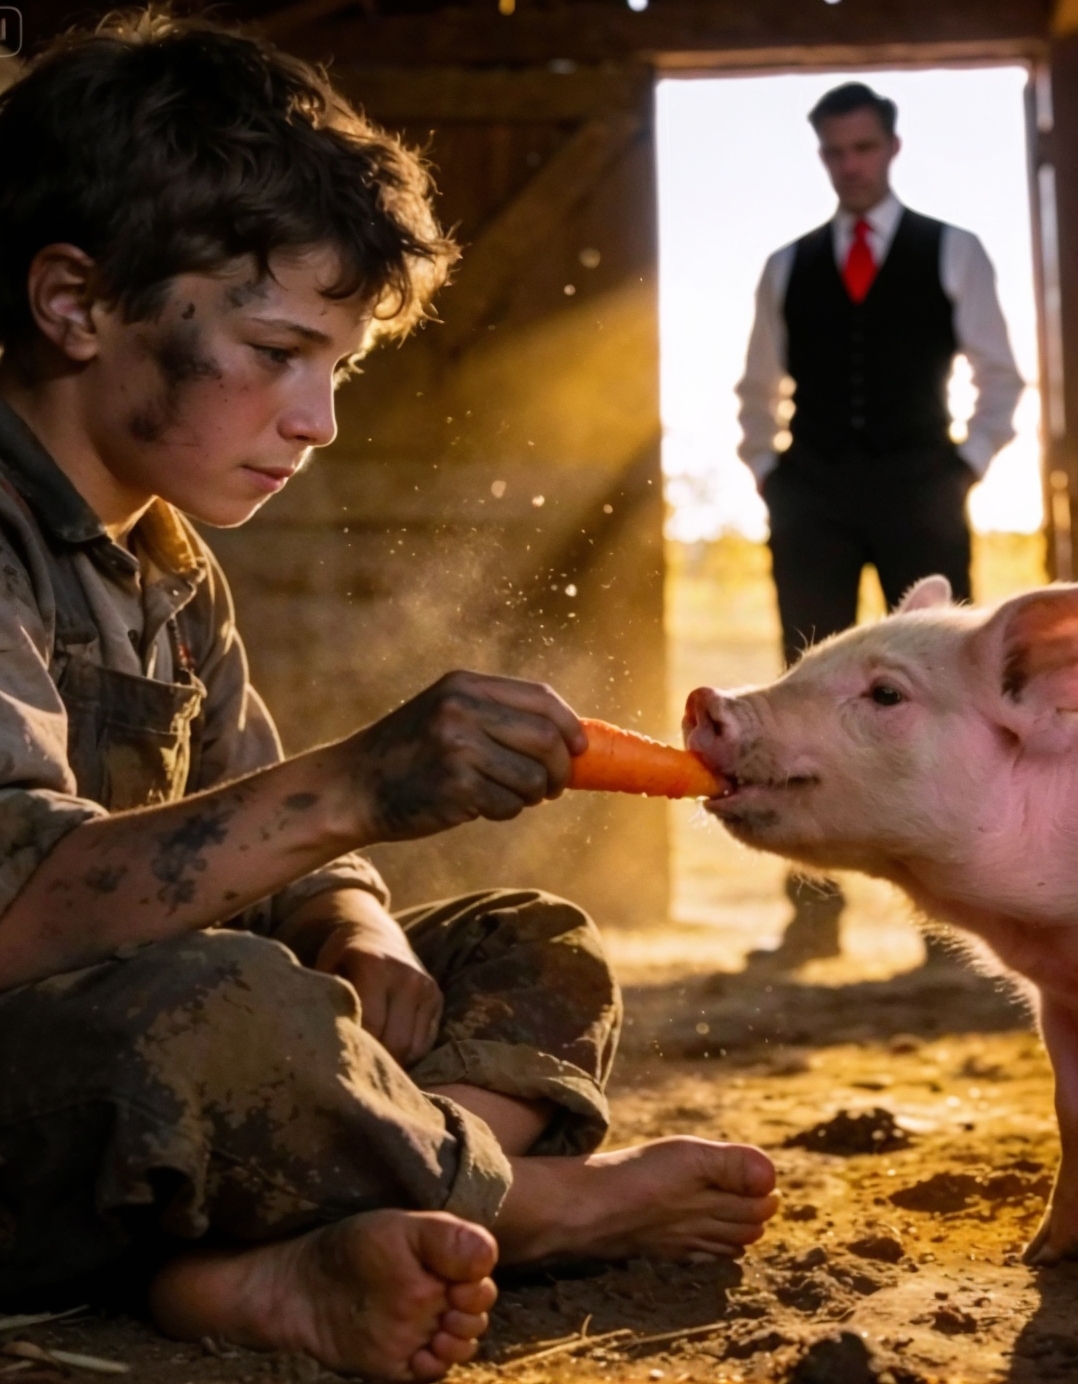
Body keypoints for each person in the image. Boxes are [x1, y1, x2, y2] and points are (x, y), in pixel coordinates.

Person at [0, 14, 778, 1382]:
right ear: (75, 305)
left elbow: (282, 845)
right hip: (53, 1067)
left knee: (525, 939)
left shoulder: (171, 564)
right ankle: (521, 1208)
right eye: (278, 348)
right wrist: (361, 782)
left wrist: (361, 926)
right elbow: (18, 912)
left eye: (339, 369)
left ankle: (253, 1260)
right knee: (218, 1009)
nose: (319, 420)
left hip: (148, 1089)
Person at [735, 81, 1024, 968]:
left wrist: (962, 467)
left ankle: (952, 925)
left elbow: (1000, 376)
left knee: (943, 699)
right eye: (834, 151)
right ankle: (812, 915)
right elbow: (756, 388)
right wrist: (770, 473)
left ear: (891, 149)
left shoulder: (954, 251)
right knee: (800, 702)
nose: (850, 165)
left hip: (921, 492)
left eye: (862, 148)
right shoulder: (788, 265)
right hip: (812, 497)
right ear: (822, 155)